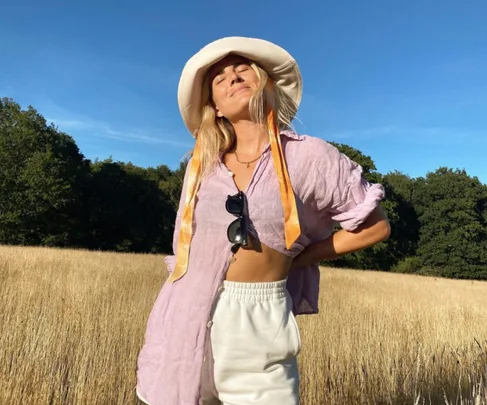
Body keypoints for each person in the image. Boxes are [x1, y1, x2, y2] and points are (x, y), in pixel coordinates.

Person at [136, 36, 390, 405]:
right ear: (216, 107)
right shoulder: (203, 166)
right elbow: (184, 244)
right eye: (220, 80)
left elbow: (375, 228)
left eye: (243, 71)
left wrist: (301, 256)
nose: (233, 78)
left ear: (266, 84)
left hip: (258, 315)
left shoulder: (311, 157)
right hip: (187, 309)